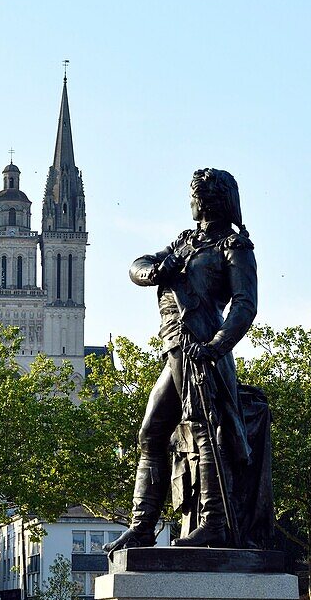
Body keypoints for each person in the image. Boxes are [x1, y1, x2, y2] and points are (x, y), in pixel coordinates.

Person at [104, 167, 273, 555]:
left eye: (199, 194)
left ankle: (214, 521)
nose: (194, 199)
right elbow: (139, 265)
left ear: (213, 201)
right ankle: (141, 527)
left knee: (201, 428)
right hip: (175, 346)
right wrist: (154, 270)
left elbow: (245, 306)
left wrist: (216, 345)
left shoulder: (234, 247)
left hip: (200, 349)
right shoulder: (184, 243)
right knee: (151, 433)